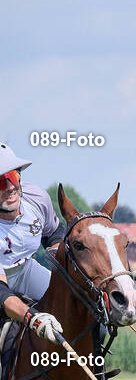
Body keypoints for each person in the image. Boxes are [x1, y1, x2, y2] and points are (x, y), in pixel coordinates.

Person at [0, 142, 66, 345]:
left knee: (75, 302)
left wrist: (61, 264)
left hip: (26, 270)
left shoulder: (37, 198)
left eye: (13, 176)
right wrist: (34, 319)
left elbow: (53, 234)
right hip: (2, 283)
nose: (11, 187)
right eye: (1, 182)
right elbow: (1, 293)